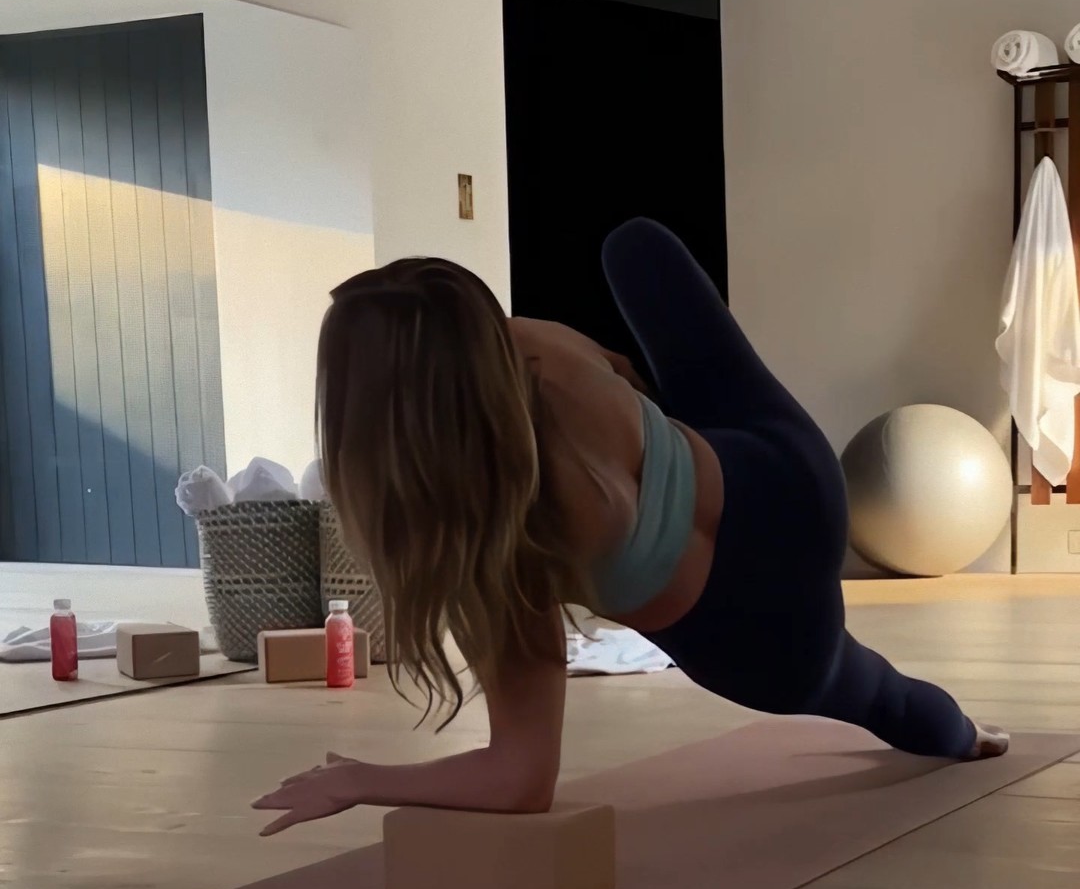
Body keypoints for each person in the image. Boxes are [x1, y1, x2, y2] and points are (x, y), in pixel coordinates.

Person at [253, 219, 1007, 838]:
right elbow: (628, 373)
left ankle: (962, 734)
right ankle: (954, 733)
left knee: (871, 692)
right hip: (787, 475)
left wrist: (361, 780)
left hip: (751, 637)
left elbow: (519, 780)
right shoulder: (540, 346)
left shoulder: (499, 547)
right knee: (633, 249)